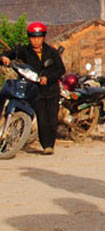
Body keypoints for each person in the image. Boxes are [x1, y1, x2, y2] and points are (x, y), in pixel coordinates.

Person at [1, 22, 65, 154]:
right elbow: (11, 53)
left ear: (43, 37)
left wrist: (48, 78)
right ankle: (46, 146)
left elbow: (61, 69)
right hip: (35, 91)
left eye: (39, 37)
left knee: (52, 119)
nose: (36, 41)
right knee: (42, 119)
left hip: (51, 90)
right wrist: (5, 57)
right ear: (29, 38)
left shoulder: (51, 52)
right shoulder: (24, 51)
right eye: (33, 37)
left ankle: (51, 144)